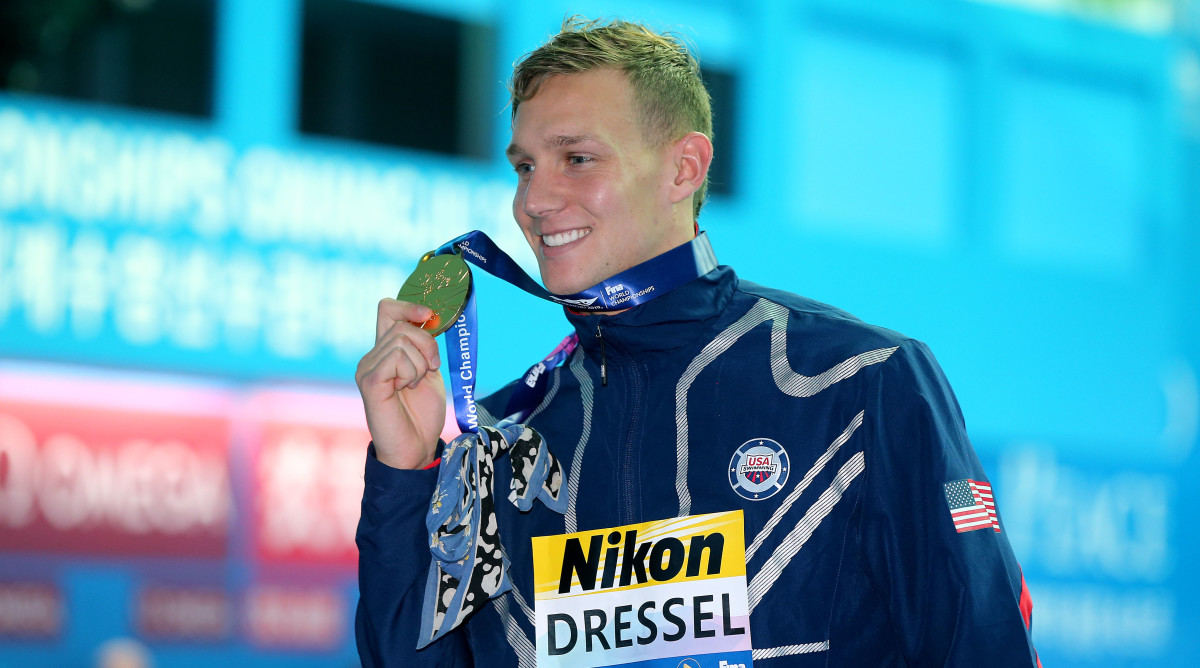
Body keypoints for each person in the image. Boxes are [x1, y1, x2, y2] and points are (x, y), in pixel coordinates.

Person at [355, 16, 1040, 667]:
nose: (534, 201)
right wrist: (405, 471)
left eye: (577, 158)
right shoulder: (507, 440)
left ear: (684, 168)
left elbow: (984, 647)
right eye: (526, 167)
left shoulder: (859, 384)